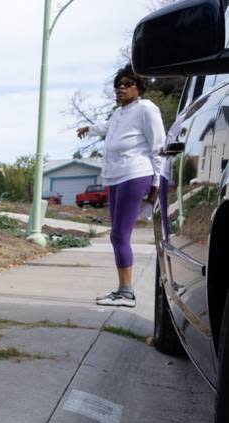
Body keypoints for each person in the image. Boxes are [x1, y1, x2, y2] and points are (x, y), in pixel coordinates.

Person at [76, 64, 166, 308]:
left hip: (135, 173)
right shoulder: (118, 114)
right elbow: (106, 128)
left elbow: (158, 145)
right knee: (117, 234)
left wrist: (157, 180)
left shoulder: (146, 109)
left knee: (119, 234)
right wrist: (89, 129)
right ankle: (122, 290)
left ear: (139, 87)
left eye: (127, 84)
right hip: (115, 177)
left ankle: (126, 292)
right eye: (118, 84)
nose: (121, 88)